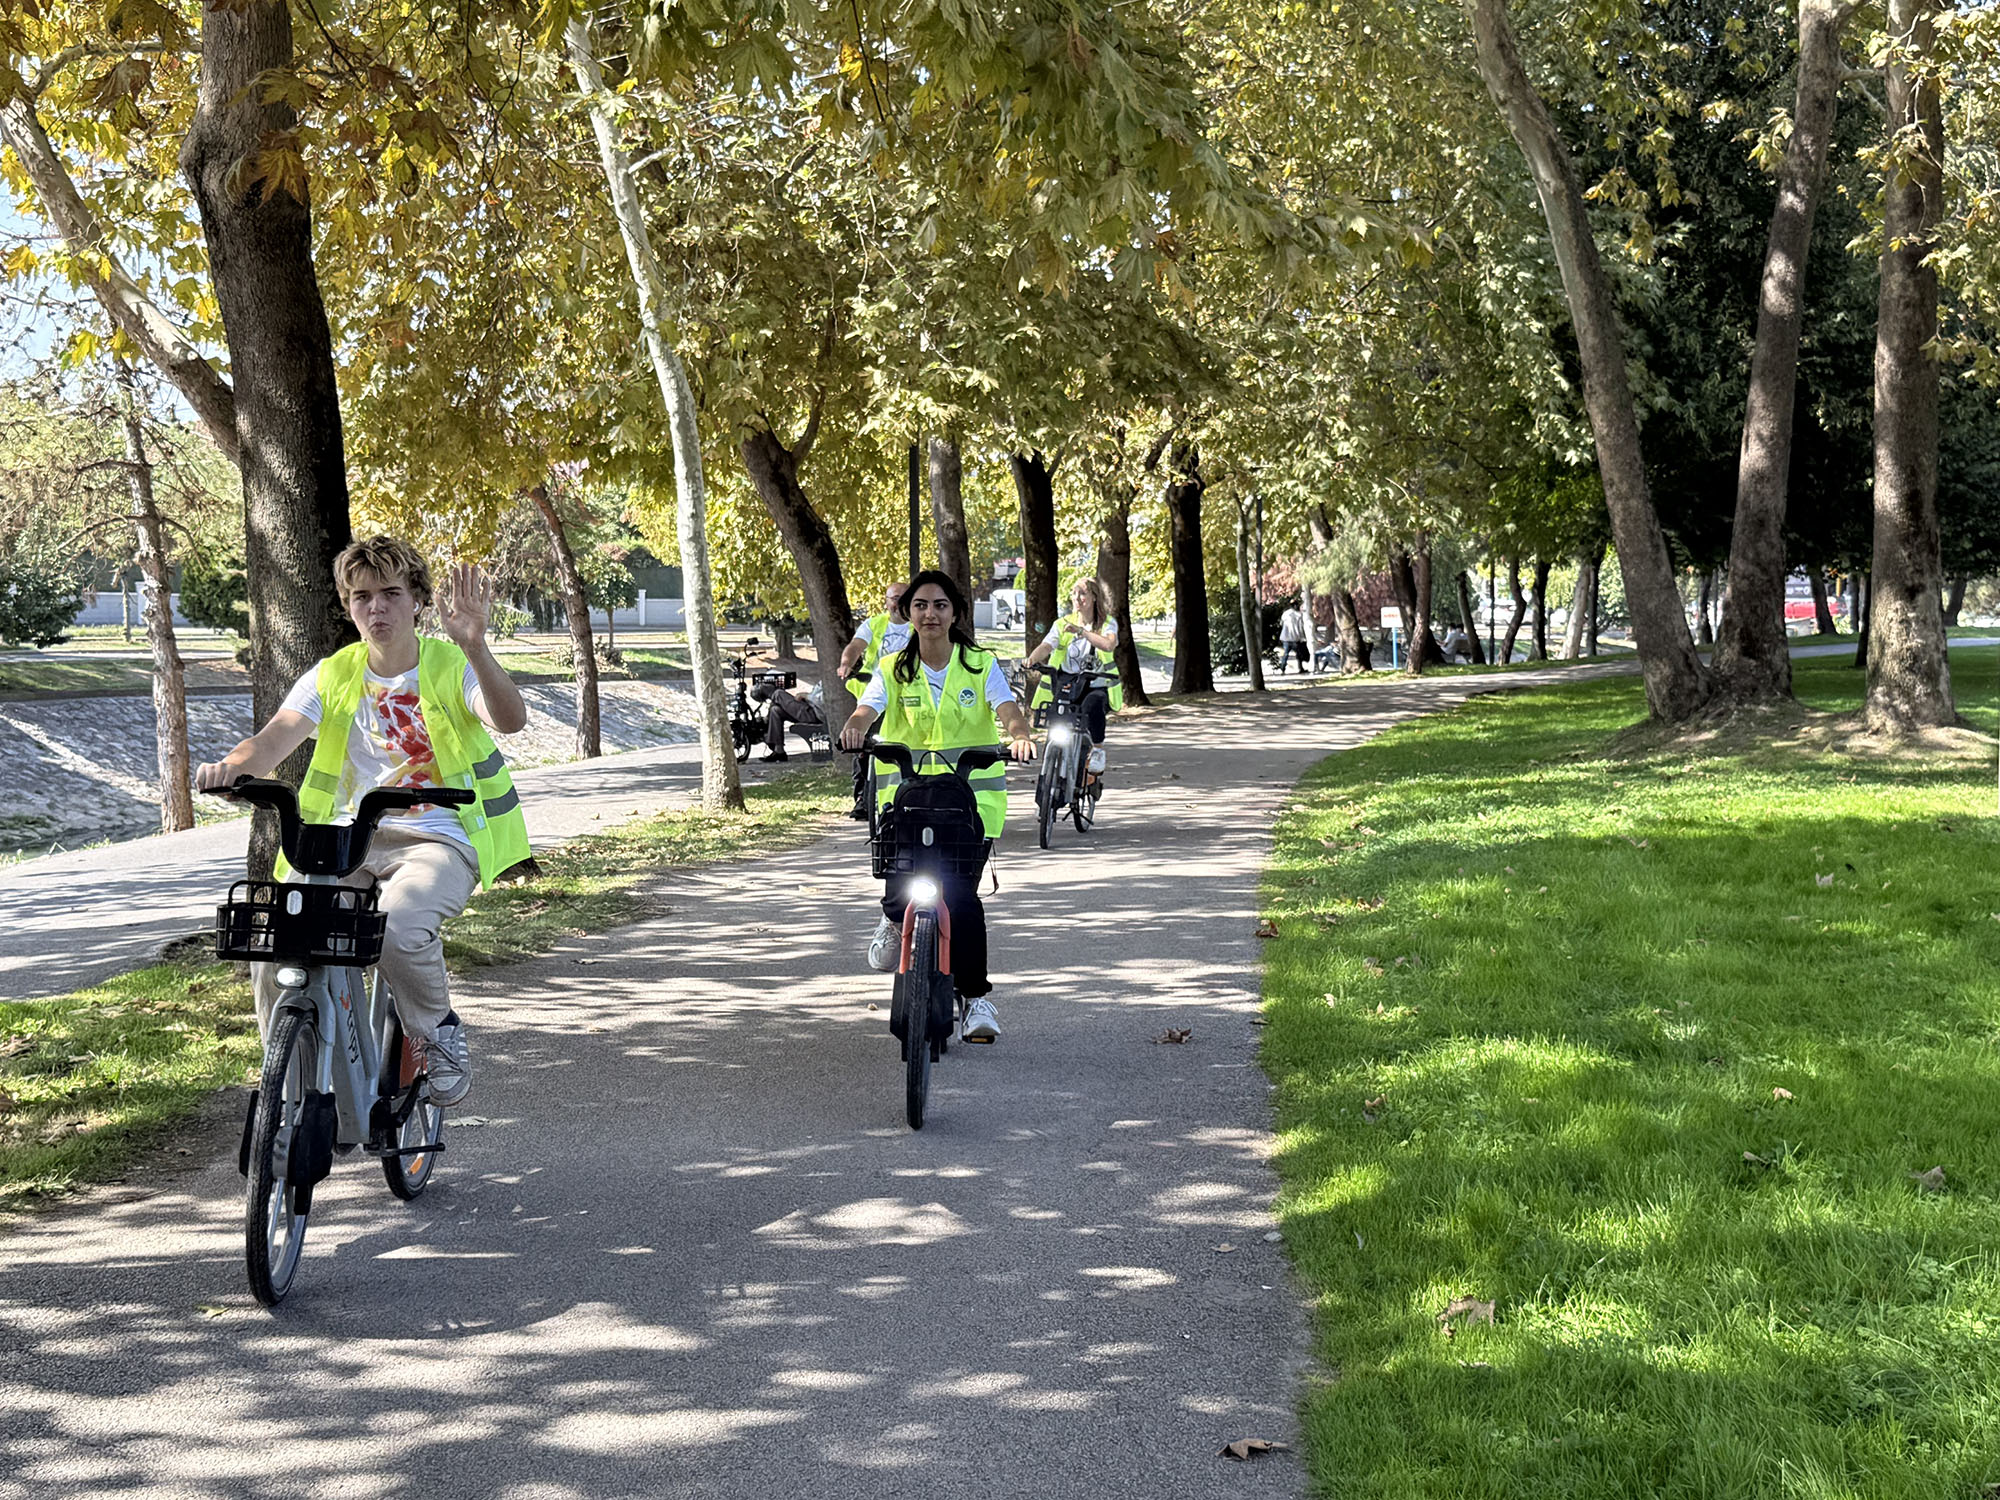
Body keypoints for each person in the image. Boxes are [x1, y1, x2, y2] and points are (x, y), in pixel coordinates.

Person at [195, 537, 530, 1107]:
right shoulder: (333, 675)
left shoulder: (450, 665)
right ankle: (289, 1072)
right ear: (348, 605)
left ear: (418, 601)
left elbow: (510, 718)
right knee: (279, 935)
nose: (377, 609)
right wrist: (228, 768)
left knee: (397, 930)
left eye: (392, 594)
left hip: (438, 838)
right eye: (362, 596)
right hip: (344, 842)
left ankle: (435, 1032)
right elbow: (274, 739)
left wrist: (476, 648)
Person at [839, 570, 1035, 1043]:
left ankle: (975, 998)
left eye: (940, 605)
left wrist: (1020, 735)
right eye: (921, 605)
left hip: (970, 802)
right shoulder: (892, 668)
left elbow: (1007, 708)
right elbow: (866, 708)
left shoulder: (979, 664)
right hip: (907, 798)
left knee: (962, 899)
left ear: (955, 613)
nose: (930, 613)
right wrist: (855, 727)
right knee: (900, 875)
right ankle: (892, 916)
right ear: (908, 614)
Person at [1022, 576, 1119, 776]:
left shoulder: (1107, 623)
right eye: (1074, 593)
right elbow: (1047, 645)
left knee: (1093, 705)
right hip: (1068, 682)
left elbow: (1109, 644)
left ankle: (1098, 750)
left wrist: (1082, 632)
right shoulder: (1062, 623)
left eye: (1083, 593)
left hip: (1096, 682)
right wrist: (1031, 660)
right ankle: (1050, 768)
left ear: (1094, 597)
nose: (1077, 597)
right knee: (1057, 714)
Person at [837, 581, 911, 816]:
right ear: (886, 602)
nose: (898, 603)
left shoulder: (919, 625)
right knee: (863, 746)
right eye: (894, 598)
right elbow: (856, 645)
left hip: (908, 696)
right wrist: (846, 662)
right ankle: (862, 799)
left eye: (903, 597)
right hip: (876, 693)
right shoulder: (875, 624)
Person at [752, 677, 824, 761]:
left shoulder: (835, 683)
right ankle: (779, 751)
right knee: (775, 710)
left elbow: (823, 702)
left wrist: (807, 696)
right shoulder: (829, 679)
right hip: (809, 709)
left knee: (778, 694)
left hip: (814, 714)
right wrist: (806, 696)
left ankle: (766, 728)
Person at [1277, 602, 1309, 674]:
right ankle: (1300, 668)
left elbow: (1281, 624)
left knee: (1285, 653)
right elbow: (1300, 627)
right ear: (1295, 606)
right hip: (1295, 637)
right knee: (1298, 654)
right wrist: (1302, 637)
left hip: (1285, 637)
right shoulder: (1298, 615)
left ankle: (1282, 668)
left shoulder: (1285, 614)